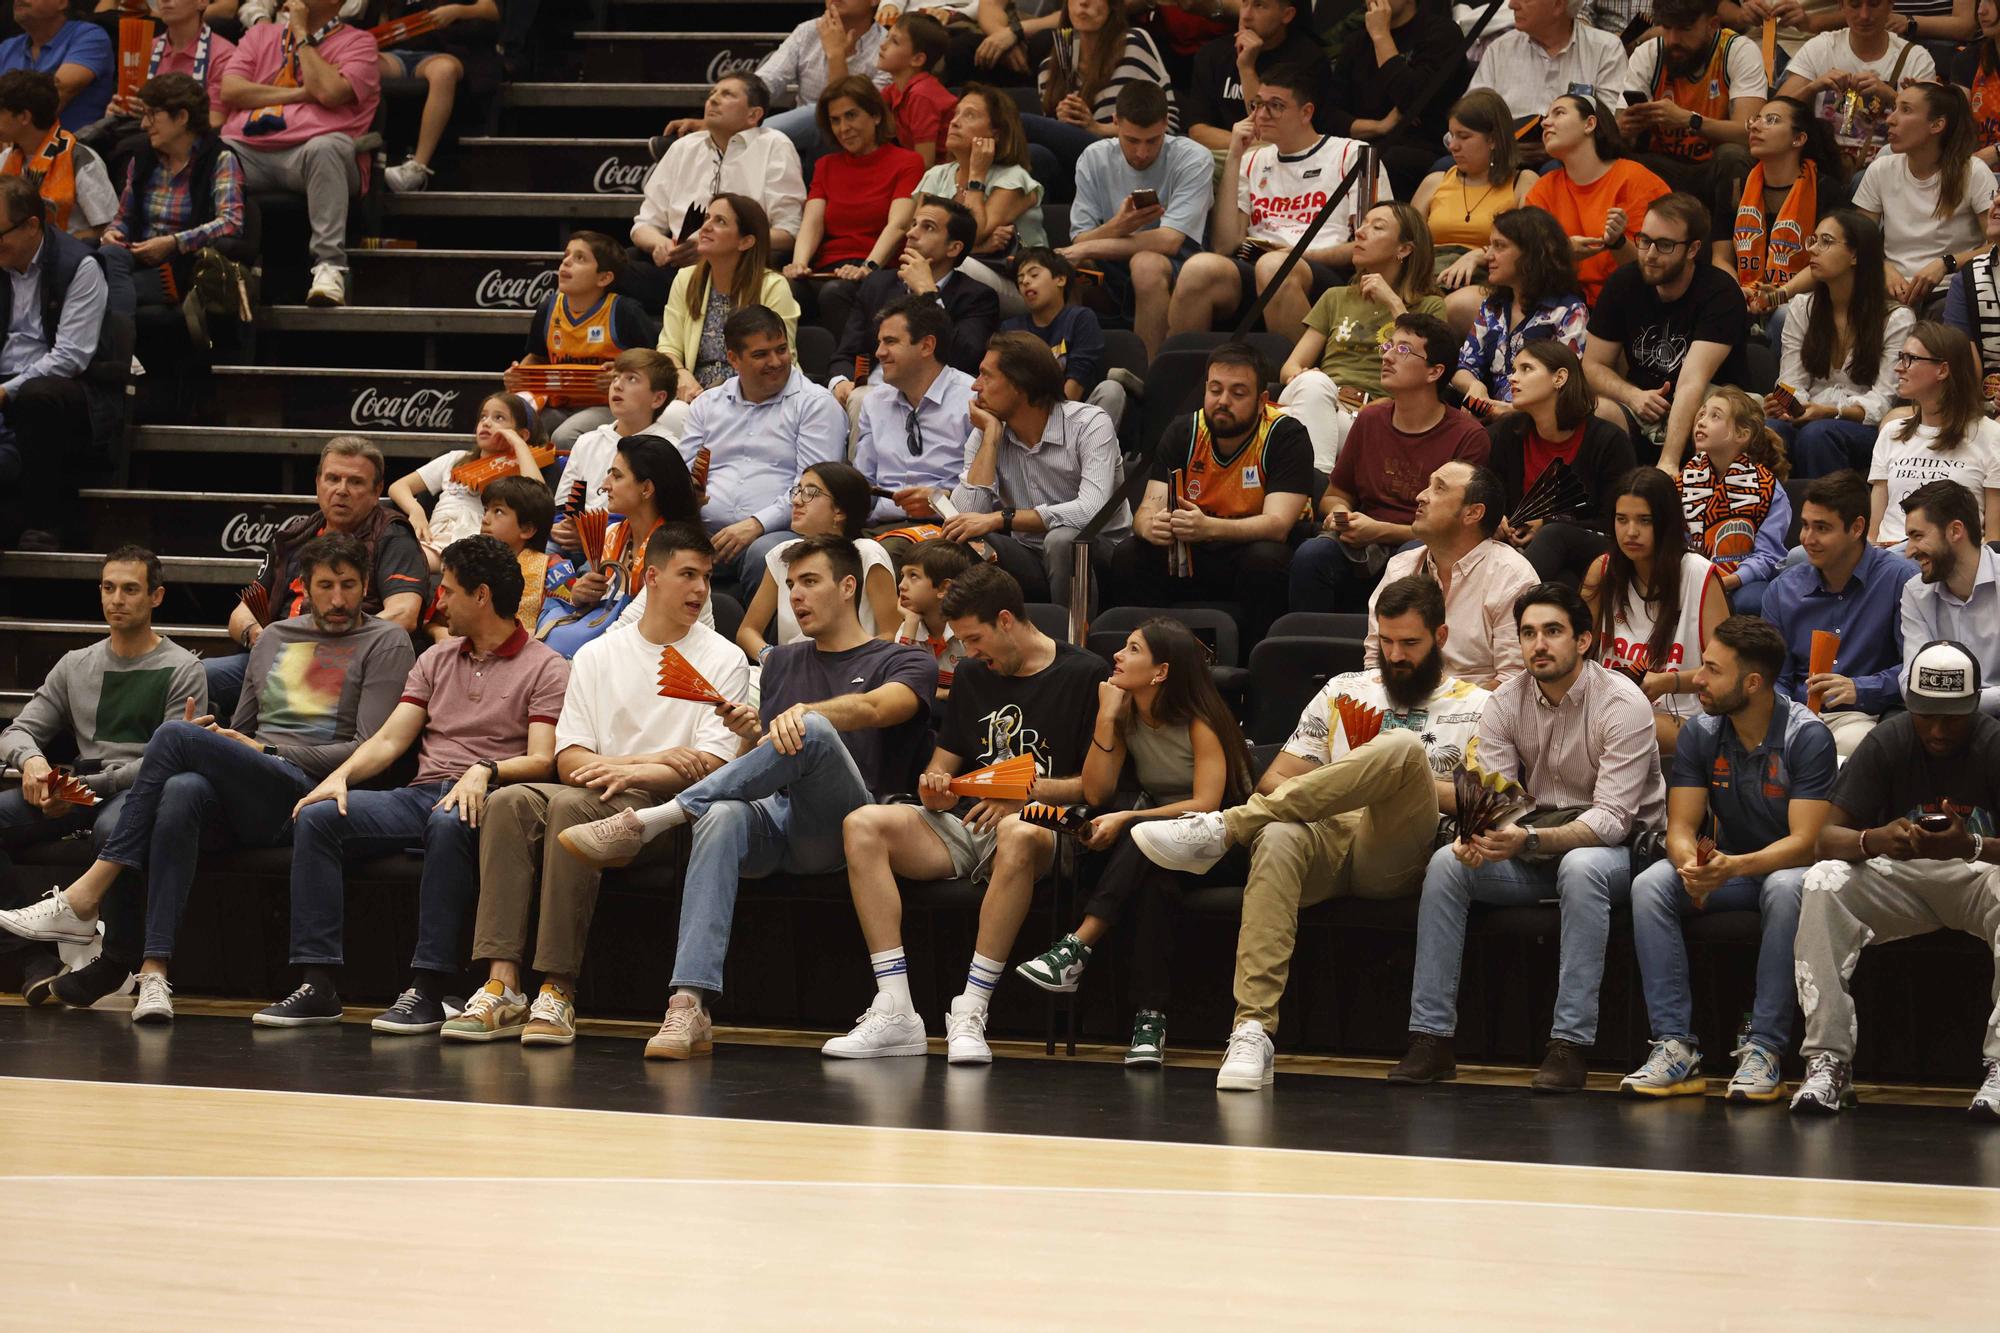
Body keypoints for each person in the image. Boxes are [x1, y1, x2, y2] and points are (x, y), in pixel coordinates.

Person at [557, 535, 938, 1059]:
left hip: (852, 826)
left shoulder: (902, 659)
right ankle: (688, 1005)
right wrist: (752, 731)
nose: (796, 597)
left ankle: (657, 818)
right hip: (778, 819)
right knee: (722, 816)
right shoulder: (780, 663)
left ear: (849, 587)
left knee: (815, 727)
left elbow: (874, 711)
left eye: (810, 582)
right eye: (790, 586)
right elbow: (768, 756)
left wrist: (803, 716)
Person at [0, 534, 413, 1014]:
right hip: (252, 786)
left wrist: (262, 749)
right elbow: (242, 730)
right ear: (305, 586)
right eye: (325, 585)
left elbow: (367, 748)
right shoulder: (276, 637)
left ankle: (85, 897)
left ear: (366, 586)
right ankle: (154, 972)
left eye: (349, 585)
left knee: (175, 737)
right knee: (182, 788)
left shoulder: (385, 640)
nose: (338, 599)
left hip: (311, 790)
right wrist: (228, 743)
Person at [1132, 576, 1492, 1090]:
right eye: (1385, 642)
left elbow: (1478, 799)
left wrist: (1391, 778)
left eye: (1409, 643)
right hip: (1323, 835)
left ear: (1440, 635)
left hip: (1396, 845)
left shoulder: (1479, 705)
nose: (1395, 655)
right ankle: (1252, 1029)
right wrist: (1343, 787)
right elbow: (1275, 778)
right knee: (1278, 837)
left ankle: (1227, 827)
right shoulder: (1343, 689)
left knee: (1402, 750)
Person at [445, 524, 749, 1046]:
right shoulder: (597, 654)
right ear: (651, 577)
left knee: (572, 810)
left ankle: (557, 991)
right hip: (598, 788)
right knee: (510, 799)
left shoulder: (724, 657)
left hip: (663, 811)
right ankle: (503, 985)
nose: (701, 589)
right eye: (688, 575)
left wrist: (629, 769)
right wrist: (641, 761)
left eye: (706, 576)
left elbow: (708, 766)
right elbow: (570, 762)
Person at [256, 536, 570, 1031]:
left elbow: (542, 760)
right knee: (318, 816)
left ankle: (430, 989)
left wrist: (484, 770)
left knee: (449, 821)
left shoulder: (546, 666)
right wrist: (335, 779)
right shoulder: (436, 658)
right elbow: (388, 741)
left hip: (488, 798)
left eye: (447, 591)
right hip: (420, 792)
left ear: (481, 596)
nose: (438, 601)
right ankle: (317, 983)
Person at [821, 562, 1106, 1063]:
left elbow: (1095, 786)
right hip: (967, 822)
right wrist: (935, 790)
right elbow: (942, 767)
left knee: (1020, 831)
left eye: (975, 639)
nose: (969, 654)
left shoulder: (1085, 672)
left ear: (1007, 620)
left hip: (1043, 823)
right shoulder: (975, 674)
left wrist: (1024, 794)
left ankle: (971, 1008)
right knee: (862, 823)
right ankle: (895, 1010)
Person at [1391, 581, 1667, 1093]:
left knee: (1581, 867)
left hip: (1624, 853)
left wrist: (1526, 841)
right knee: (1448, 865)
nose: (1538, 644)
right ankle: (1431, 1039)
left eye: (1553, 632)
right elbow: (1497, 800)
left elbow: (1612, 821)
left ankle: (1570, 1045)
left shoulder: (1622, 703)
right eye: (1528, 633)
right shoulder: (1506, 701)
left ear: (1583, 641)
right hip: (1533, 840)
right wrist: (1479, 835)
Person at [1015, 618, 1254, 1065]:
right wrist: (1107, 717)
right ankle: (1150, 1021)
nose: (1117, 657)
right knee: (1154, 883)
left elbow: (1206, 803)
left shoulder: (1202, 721)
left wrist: (1129, 817)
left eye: (1132, 650)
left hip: (1225, 839)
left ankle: (1078, 946)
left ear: (1161, 672)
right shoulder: (1128, 716)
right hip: (1161, 849)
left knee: (1144, 837)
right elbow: (1096, 793)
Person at [1621, 614, 1835, 1101]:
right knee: (1651, 883)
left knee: (1785, 887)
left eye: (1713, 670)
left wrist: (1732, 866)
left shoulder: (1808, 736)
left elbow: (1806, 842)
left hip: (1791, 871)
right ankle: (1675, 1046)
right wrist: (1689, 865)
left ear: (1753, 683)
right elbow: (1680, 827)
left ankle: (1765, 1049)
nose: (1698, 678)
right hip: (1731, 868)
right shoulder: (1701, 732)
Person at [1788, 639, 2000, 1118]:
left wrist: (1970, 846)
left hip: (1979, 880)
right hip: (1901, 883)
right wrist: (1875, 839)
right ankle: (1827, 1060)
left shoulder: (1994, 744)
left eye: (1953, 717)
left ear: (1973, 708)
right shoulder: (1888, 740)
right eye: (1927, 715)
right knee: (1823, 881)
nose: (1939, 730)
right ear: (1909, 705)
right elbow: (1826, 838)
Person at [0, 546, 205, 1001]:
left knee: (114, 827)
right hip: (77, 790)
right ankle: (32, 957)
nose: (117, 599)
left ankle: (117, 960)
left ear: (157, 597)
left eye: (130, 589)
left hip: (134, 791)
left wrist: (74, 785)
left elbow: (167, 759)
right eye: (109, 588)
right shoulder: (76, 664)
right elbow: (17, 731)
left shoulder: (184, 668)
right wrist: (33, 765)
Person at [1166, 64, 1391, 344]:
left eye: (1275, 106)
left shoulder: (1353, 154)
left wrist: (1299, 254)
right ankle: (1181, 375)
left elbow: (1373, 248)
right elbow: (1225, 245)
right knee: (1198, 268)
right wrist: (1235, 154)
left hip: (1324, 270)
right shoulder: (1251, 161)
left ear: (1306, 112)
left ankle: (1298, 377)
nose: (1261, 115)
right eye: (1257, 104)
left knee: (1274, 266)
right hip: (1258, 267)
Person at [209, 436, 427, 717]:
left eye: (356, 482)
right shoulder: (295, 537)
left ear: (377, 491)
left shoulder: (393, 537)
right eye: (332, 478)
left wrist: (324, 641)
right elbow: (241, 613)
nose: (341, 490)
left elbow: (404, 615)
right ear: (318, 484)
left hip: (347, 661)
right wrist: (259, 638)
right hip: (278, 657)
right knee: (199, 676)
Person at [1107, 341, 1312, 638]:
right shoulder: (1183, 431)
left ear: (1261, 399)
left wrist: (1209, 527)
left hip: (1250, 553)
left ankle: (1253, 664)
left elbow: (1277, 526)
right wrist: (1151, 527)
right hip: (1194, 552)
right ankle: (1148, 652)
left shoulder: (1286, 435)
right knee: (1130, 554)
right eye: (1215, 390)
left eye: (1238, 393)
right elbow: (1146, 511)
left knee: (1266, 559)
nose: (1223, 401)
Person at [1290, 314, 1491, 612]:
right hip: (1363, 541)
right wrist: (1342, 515)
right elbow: (1335, 495)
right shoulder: (1371, 419)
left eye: (1404, 350)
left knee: (1415, 556)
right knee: (1312, 554)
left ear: (1435, 371)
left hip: (1425, 544)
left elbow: (1453, 531)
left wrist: (1379, 530)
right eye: (1388, 346)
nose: (1387, 356)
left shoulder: (1469, 436)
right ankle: (1306, 648)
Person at [217, 0, 382, 308]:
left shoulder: (359, 42)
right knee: (214, 151)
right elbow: (232, 90)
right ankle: (217, 263)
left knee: (326, 146)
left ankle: (329, 267)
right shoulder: (260, 35)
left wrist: (302, 33)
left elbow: (332, 93)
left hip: (310, 156)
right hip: (250, 152)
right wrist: (303, 94)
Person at [946, 331, 1130, 605]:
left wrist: (1003, 518)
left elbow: (1091, 511)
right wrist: (991, 438)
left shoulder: (1088, 424)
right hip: (1030, 555)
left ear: (1021, 385)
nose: (975, 386)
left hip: (1099, 555)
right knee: (967, 537)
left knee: (1061, 540)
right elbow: (963, 516)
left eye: (986, 376)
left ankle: (1071, 644)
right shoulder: (988, 430)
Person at [675, 305, 846, 600]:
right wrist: (688, 497)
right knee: (662, 545)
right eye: (761, 354)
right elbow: (680, 473)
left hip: (779, 533)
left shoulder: (815, 404)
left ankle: (764, 644)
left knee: (765, 555)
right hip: (705, 532)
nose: (776, 361)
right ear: (733, 359)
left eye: (781, 350)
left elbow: (815, 490)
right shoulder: (707, 404)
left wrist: (757, 524)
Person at [1275, 201, 1449, 471]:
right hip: (1321, 397)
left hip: (1371, 416)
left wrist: (1393, 302)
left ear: (1404, 249)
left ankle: (1309, 484)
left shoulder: (1430, 307)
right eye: (1363, 223)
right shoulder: (1335, 297)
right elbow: (1291, 365)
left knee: (1285, 429)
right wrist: (1302, 379)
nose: (1360, 232)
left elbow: (1424, 367)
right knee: (1312, 387)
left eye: (1377, 227)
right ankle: (1318, 481)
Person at [1583, 193, 1750, 471]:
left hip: (1707, 406)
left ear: (1693, 249)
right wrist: (1632, 395)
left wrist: (1668, 463)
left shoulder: (1720, 293)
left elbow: (1692, 382)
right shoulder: (1624, 283)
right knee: (1598, 410)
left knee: (1719, 416)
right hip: (1644, 405)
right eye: (1645, 241)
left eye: (1664, 245)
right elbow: (1592, 364)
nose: (1649, 254)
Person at [1763, 469, 1919, 756]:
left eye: (1822, 528)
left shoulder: (1901, 580)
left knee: (1851, 746)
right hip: (1797, 713)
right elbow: (1776, 676)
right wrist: (1785, 715)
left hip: (1865, 715)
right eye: (1805, 525)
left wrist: (1861, 688)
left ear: (1857, 528)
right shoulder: (1782, 590)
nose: (1807, 539)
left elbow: (1915, 666)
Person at [0, 174, 117, 554]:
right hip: (6, 382)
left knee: (37, 396)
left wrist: (6, 391)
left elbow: (71, 357)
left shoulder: (79, 266)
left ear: (32, 225)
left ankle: (44, 523)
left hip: (66, 388)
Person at [103, 73, 246, 373]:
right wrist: (113, 233)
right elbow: (123, 218)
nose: (143, 125)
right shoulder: (141, 157)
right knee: (106, 255)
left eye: (152, 116)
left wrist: (174, 243)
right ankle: (125, 357)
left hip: (183, 268)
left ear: (181, 117)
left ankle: (119, 355)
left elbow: (231, 223)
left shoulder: (219, 158)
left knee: (97, 292)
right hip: (136, 260)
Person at [1062, 80, 1214, 360]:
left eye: (1152, 140)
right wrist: (1117, 227)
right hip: (1112, 264)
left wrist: (1088, 245)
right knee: (1070, 269)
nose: (1142, 153)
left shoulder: (1193, 157)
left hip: (1180, 262)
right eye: (1132, 141)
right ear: (1115, 122)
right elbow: (1079, 239)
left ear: (1167, 123)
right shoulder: (1093, 158)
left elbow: (1170, 240)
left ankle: (1148, 371)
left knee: (1145, 263)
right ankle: (1070, 367)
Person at [1582, 466, 1729, 752]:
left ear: (1666, 523)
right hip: (1608, 709)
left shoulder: (1698, 574)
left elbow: (1725, 670)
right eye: (1621, 520)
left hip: (1684, 716)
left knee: (1626, 724)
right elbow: (1577, 650)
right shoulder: (1602, 570)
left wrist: (1669, 682)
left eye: (1645, 521)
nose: (1631, 532)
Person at [628, 75, 805, 311]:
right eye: (712, 94)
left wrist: (725, 243)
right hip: (679, 263)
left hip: (741, 266)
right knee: (608, 267)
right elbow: (643, 225)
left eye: (727, 94)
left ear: (753, 115)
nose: (713, 100)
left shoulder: (774, 145)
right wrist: (659, 244)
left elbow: (789, 232)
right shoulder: (683, 147)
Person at [1367, 462, 1539, 688]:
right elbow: (1375, 661)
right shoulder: (1401, 567)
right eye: (1428, 486)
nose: (1421, 496)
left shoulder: (1512, 577)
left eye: (1439, 488)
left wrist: (1442, 709)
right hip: (1401, 704)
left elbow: (1515, 682)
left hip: (1479, 716)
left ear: (1473, 512)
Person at [1767, 209, 1908, 477]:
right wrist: (1790, 405)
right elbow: (1790, 381)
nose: (1813, 250)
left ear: (1855, 255)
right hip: (1811, 415)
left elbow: (1883, 402)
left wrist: (1831, 411)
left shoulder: (1895, 319)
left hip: (1864, 426)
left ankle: (1827, 516)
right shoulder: (1802, 309)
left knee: (1818, 434)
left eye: (1826, 242)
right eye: (1814, 240)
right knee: (1769, 429)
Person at [782, 77, 925, 340]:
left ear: (875, 116)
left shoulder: (907, 162)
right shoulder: (826, 165)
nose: (843, 128)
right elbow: (812, 222)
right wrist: (799, 263)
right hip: (827, 270)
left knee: (835, 293)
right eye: (835, 121)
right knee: (780, 288)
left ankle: (850, 370)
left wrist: (868, 266)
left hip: (880, 270)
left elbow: (899, 224)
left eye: (851, 116)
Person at [1486, 339, 1638, 583]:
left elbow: (1618, 519)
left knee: (1554, 535)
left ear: (1559, 378)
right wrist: (1494, 518)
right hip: (1529, 556)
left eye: (1526, 369)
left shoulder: (1608, 440)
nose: (1513, 379)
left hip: (1597, 548)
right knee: (1562, 581)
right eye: (1513, 371)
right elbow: (1485, 491)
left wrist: (1547, 523)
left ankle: (1503, 606)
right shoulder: (1507, 433)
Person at [538, 433, 703, 657]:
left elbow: (639, 627)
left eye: (616, 476)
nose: (605, 486)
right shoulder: (612, 535)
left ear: (646, 489)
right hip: (608, 648)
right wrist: (579, 592)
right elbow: (580, 596)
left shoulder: (679, 551)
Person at [830, 195, 1000, 401]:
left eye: (928, 227)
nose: (911, 233)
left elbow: (963, 359)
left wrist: (929, 295)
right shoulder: (878, 284)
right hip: (869, 394)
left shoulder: (977, 297)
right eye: (913, 224)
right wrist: (840, 382)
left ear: (954, 248)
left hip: (931, 401)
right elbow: (846, 353)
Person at [1852, 81, 1996, 310]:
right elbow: (1859, 239)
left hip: (1950, 290)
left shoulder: (1973, 171)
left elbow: (1997, 246)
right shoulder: (1881, 169)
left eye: (1906, 110)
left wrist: (1948, 263)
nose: (1891, 119)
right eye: (1895, 108)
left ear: (1937, 125)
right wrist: (1883, 267)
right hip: (1890, 290)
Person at [737, 463, 902, 659]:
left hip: (858, 672)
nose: (797, 501)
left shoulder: (867, 553)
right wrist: (771, 657)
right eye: (797, 491)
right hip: (794, 673)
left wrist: (851, 665)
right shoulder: (782, 554)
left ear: (839, 510)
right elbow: (748, 631)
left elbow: (892, 633)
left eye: (810, 493)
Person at [1524, 93, 1669, 308]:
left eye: (1559, 113)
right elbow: (1525, 259)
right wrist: (1563, 253)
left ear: (1590, 124)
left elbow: (1659, 268)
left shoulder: (1636, 180)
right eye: (1546, 116)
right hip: (1561, 303)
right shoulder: (1543, 188)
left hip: (1631, 304)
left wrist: (1618, 243)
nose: (1545, 122)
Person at [1616, 0, 1764, 208]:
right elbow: (1619, 128)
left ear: (1712, 24)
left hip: (1713, 168)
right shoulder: (1649, 53)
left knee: (1733, 156)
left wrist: (1690, 121)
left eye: (1685, 29)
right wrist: (1624, 129)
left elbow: (1749, 133)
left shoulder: (1738, 51)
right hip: (1662, 165)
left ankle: (1731, 238)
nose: (1673, 40)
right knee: (1613, 154)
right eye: (1667, 28)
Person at [518, 232, 660, 448]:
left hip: (610, 405)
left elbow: (657, 364)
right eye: (566, 255)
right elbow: (536, 358)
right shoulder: (548, 307)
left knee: (565, 436)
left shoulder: (624, 312)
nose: (566, 262)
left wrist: (620, 374)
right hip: (560, 403)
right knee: (518, 427)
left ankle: (576, 484)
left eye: (580, 258)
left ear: (604, 278)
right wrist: (519, 376)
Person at [850, 294, 976, 536]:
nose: (879, 352)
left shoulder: (970, 400)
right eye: (879, 342)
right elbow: (862, 483)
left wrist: (942, 499)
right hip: (879, 528)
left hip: (946, 528)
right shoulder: (874, 402)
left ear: (927, 346)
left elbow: (991, 493)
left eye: (890, 342)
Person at [659, 194, 801, 403]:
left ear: (746, 241)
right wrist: (681, 375)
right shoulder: (685, 279)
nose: (705, 227)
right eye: (707, 218)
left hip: (756, 396)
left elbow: (779, 359)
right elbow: (668, 347)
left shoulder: (773, 286)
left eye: (720, 221)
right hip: (693, 396)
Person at [1870, 321, 2000, 547]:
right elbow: (1873, 533)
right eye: (1901, 357)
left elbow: (1993, 539)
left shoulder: (1990, 436)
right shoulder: (1892, 432)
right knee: (1799, 557)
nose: (1899, 367)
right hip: (1886, 559)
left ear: (1943, 370)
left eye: (1910, 359)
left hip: (1947, 562)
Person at [1321, 0, 1470, 197]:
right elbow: (1328, 116)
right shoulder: (1356, 42)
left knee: (1386, 160)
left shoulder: (1441, 33)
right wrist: (1379, 126)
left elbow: (1413, 100)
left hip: (1421, 147)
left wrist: (1381, 36)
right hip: (1362, 145)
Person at [1775, 0, 1937, 178]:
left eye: (1874, 5)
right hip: (1823, 165)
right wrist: (1814, 87)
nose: (1864, 15)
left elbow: (1931, 128)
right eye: (1855, 5)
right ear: (1841, 6)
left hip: (1889, 169)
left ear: (1891, 5)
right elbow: (1775, 113)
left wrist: (1892, 96)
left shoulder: (1915, 57)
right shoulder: (1821, 47)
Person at [1449, 205, 1588, 410]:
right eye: (1490, 246)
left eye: (1500, 246)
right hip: (1491, 411)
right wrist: (1475, 386)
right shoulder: (1493, 306)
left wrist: (1509, 411)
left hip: (1538, 419)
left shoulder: (1569, 311)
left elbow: (1564, 386)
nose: (1488, 256)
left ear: (1531, 254)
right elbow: (1464, 366)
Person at [389, 389, 544, 566]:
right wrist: (415, 510)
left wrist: (518, 444)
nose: (486, 423)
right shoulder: (455, 458)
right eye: (483, 417)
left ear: (522, 434)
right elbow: (398, 486)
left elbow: (538, 497)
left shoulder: (517, 470)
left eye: (498, 418)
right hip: (434, 537)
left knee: (403, 559)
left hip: (473, 544)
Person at [906, 84, 1047, 275]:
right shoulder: (936, 175)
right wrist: (979, 248)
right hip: (957, 272)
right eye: (956, 114)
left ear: (995, 134)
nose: (954, 122)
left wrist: (977, 176)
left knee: (958, 269)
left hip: (1019, 278)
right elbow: (917, 242)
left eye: (969, 115)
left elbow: (973, 233)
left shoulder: (1013, 178)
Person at [1718, 95, 1845, 308]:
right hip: (1743, 293)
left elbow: (1829, 261)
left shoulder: (1825, 190)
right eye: (1755, 120)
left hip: (1803, 296)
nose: (1756, 126)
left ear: (1799, 139)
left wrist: (1780, 295)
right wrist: (1737, 293)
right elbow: (1720, 258)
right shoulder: (1736, 186)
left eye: (1772, 120)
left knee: (1783, 315)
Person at [1026, 0, 1179, 174]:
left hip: (1120, 157)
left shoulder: (1132, 44)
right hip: (1075, 166)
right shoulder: (1049, 67)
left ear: (1112, 5)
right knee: (1035, 154)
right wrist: (1063, 122)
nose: (1083, 3)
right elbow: (1052, 138)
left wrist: (1096, 128)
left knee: (1024, 125)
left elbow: (1168, 124)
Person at [1414, 89, 1540, 297]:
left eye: (1464, 136)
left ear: (1493, 140)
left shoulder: (1523, 182)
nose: (1453, 146)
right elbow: (1406, 243)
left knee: (1458, 302)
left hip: (1488, 280)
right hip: (1431, 276)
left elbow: (1530, 245)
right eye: (1452, 136)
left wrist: (1479, 255)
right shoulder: (1435, 181)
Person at [1682, 387, 1794, 615]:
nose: (1701, 422)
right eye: (1702, 414)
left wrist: (1730, 580)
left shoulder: (1768, 488)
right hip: (1690, 574)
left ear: (1742, 435)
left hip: (1741, 581)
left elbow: (1768, 556)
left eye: (1715, 416)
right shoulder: (1685, 479)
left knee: (1752, 601)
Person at [1465, 0, 1626, 149]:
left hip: (1574, 162)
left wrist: (1556, 148)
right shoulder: (1500, 49)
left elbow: (1610, 127)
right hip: (1504, 157)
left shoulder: (1605, 49)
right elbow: (1468, 118)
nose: (1512, 5)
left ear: (1558, 4)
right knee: (1448, 165)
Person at [375, 0, 499, 194]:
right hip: (397, 50)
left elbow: (492, 10)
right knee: (357, 66)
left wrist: (457, 11)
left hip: (443, 53)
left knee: (444, 72)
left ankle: (417, 167)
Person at [1900, 479, 2000, 713]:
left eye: (1917, 536)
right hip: (1935, 719)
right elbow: (1910, 680)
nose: (1908, 551)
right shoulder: (1915, 592)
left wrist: (1954, 702)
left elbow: (1920, 687)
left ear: (1955, 531)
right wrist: (1953, 704)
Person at [751, 0, 891, 164]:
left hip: (856, 145)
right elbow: (767, 81)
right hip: (804, 148)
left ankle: (746, 140)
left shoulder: (887, 46)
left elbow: (847, 113)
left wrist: (836, 55)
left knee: (816, 113)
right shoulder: (808, 31)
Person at [1183, 0, 1334, 152]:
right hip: (1224, 156)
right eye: (1244, 3)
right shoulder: (1212, 54)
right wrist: (1249, 144)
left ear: (1287, 15)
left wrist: (1246, 68)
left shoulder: (1308, 59)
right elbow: (1198, 131)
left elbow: (1272, 135)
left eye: (1259, 6)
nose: (1246, 16)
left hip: (1283, 162)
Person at [1003, 247, 1123, 424]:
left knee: (1111, 391)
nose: (1026, 282)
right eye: (1020, 280)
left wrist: (1052, 425)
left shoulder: (1080, 318)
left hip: (1074, 420)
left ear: (1060, 279)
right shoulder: (1011, 329)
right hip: (1026, 421)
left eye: (1034, 275)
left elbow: (1078, 378)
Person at [552, 348, 679, 516]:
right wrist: (562, 528)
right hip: (576, 536)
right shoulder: (586, 442)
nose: (617, 386)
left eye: (632, 379)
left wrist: (595, 530)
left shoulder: (669, 449)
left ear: (657, 399)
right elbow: (563, 506)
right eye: (615, 377)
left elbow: (660, 517)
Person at [0, 70, 116, 239]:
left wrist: (54, 245)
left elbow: (108, 229)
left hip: (66, 257)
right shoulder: (5, 158)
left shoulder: (80, 159)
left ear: (24, 117)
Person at [0, 0, 113, 134]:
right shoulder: (7, 47)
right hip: (15, 149)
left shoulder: (90, 36)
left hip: (73, 148)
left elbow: (54, 96)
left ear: (62, 2)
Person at [894, 537, 976, 695]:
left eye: (913, 576)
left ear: (944, 588)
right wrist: (910, 623)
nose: (901, 585)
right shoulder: (910, 625)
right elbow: (899, 685)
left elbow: (978, 691)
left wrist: (932, 693)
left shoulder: (970, 630)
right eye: (902, 575)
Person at [475, 473, 556, 633]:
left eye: (498, 511)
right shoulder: (468, 563)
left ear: (527, 529)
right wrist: (437, 631)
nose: (485, 519)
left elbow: (564, 620)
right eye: (486, 510)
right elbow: (437, 618)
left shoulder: (553, 569)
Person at [878, 12, 957, 167]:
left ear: (917, 59)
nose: (883, 45)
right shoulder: (893, 90)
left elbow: (924, 163)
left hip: (946, 176)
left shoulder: (921, 95)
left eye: (894, 41)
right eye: (887, 36)